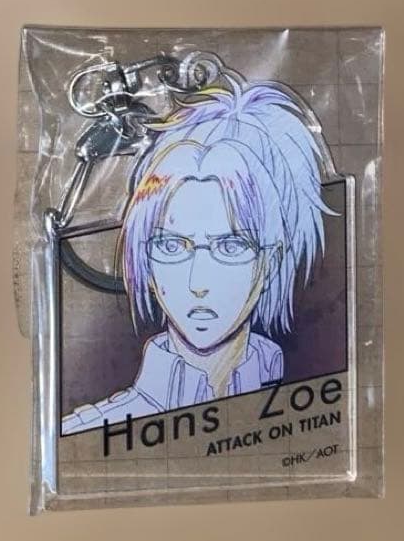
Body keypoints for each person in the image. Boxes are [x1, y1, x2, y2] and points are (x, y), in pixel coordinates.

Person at [62, 75, 333, 434]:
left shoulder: (321, 415)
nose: (198, 283)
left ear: (270, 261)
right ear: (145, 258)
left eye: (231, 246)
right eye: (172, 246)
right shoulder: (86, 433)